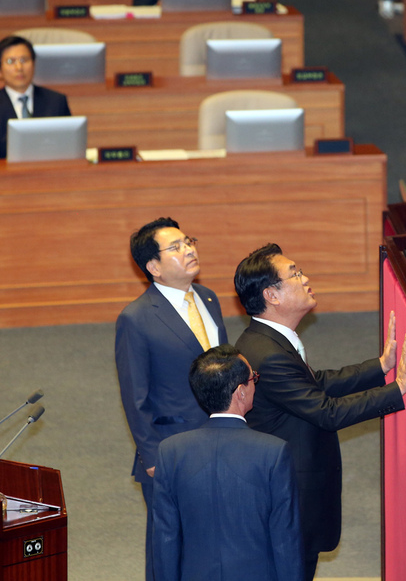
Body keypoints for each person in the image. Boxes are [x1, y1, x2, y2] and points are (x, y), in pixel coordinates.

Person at [233, 243, 406, 581]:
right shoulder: (268, 354)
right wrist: (396, 390)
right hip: (288, 495)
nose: (306, 278)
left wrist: (380, 366)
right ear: (272, 294)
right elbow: (326, 411)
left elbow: (316, 383)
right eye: (296, 274)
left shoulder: (267, 340)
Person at [116, 217, 228, 581]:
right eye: (176, 247)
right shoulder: (135, 318)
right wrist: (151, 457)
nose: (190, 249)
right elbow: (135, 396)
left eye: (189, 241)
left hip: (223, 440)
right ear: (153, 267)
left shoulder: (209, 298)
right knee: (171, 548)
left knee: (219, 539)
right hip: (172, 450)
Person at [153, 344, 303, 581]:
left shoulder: (170, 452)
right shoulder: (273, 452)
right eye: (253, 377)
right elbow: (286, 541)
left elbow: (164, 541)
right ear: (240, 392)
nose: (256, 382)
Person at [0, 36, 71, 160]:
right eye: (10, 62)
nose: (19, 68)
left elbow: (69, 149)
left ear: (34, 64)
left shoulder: (56, 101)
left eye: (24, 60)